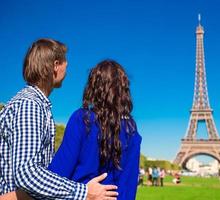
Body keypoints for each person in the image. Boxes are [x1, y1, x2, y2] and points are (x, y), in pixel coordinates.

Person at [0, 39, 118, 200]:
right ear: (56, 65)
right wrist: (84, 192)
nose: (66, 72)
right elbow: (27, 174)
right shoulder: (30, 105)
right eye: (65, 66)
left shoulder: (35, 104)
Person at [48, 60, 142, 200]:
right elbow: (129, 184)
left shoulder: (81, 119)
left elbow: (58, 173)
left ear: (93, 87)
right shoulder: (131, 129)